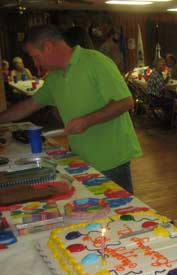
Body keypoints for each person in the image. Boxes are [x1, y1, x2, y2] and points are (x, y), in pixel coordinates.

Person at [0, 24, 142, 193]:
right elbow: (29, 105)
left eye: (36, 57)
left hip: (112, 158)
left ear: (48, 47)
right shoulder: (54, 76)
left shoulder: (95, 61)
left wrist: (86, 120)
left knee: (120, 211)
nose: (36, 64)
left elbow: (125, 102)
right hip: (80, 156)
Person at [147, 57, 174, 125]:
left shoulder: (156, 72)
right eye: (163, 64)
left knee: (170, 100)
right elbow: (164, 88)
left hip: (152, 98)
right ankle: (166, 123)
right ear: (157, 65)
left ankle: (165, 120)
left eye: (165, 64)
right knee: (172, 102)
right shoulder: (157, 75)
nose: (165, 66)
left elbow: (162, 84)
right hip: (155, 99)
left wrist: (168, 77)